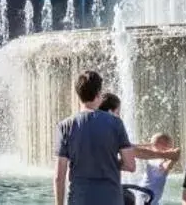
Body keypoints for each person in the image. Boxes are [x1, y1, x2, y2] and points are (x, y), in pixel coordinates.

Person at [56, 74, 135, 205]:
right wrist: (109, 162)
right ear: (99, 93)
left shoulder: (65, 126)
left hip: (79, 200)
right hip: (111, 199)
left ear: (78, 94)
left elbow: (59, 176)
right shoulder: (116, 123)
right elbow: (130, 165)